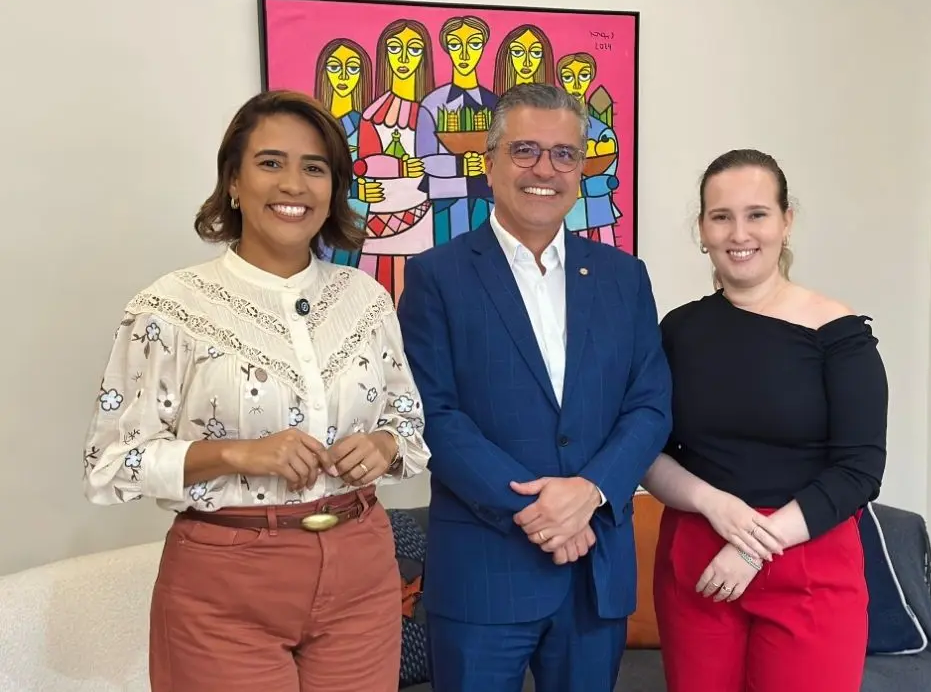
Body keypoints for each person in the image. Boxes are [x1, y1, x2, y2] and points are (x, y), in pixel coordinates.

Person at [82, 89, 431, 692]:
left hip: (362, 572)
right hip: (226, 581)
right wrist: (237, 453)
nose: (293, 183)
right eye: (271, 162)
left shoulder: (365, 300)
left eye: (314, 167)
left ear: (333, 190)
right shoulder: (171, 307)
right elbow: (111, 464)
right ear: (234, 183)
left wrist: (384, 445)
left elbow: (410, 426)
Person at [396, 82, 673, 692]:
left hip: (595, 573)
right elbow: (431, 413)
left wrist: (591, 492)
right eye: (524, 150)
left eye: (564, 154)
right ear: (489, 162)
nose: (545, 169)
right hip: (483, 575)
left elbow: (650, 405)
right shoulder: (436, 276)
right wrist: (540, 511)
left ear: (580, 168)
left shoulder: (624, 277)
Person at [642, 148, 888, 692]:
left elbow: (860, 470)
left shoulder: (840, 334)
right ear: (702, 230)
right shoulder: (677, 331)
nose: (739, 233)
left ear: (786, 221)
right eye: (721, 216)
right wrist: (714, 503)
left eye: (757, 214)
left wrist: (752, 546)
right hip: (699, 564)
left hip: (809, 564)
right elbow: (646, 448)